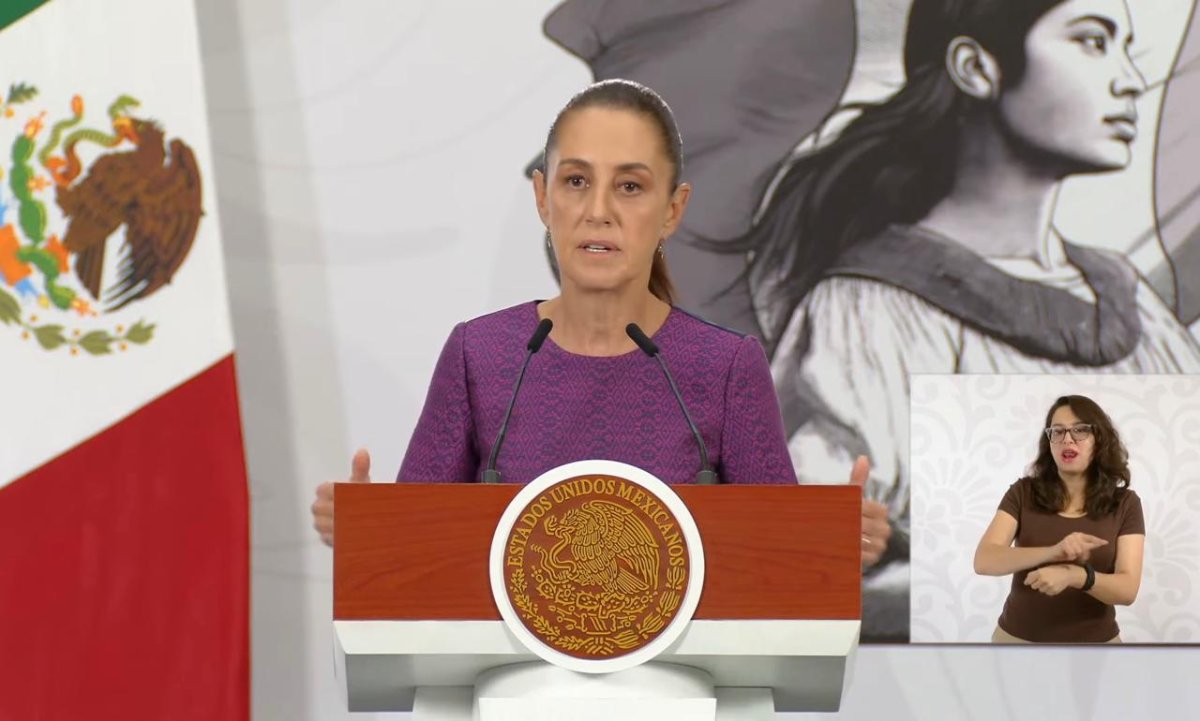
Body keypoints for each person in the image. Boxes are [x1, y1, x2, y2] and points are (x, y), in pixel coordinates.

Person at [731, 0, 1200, 641]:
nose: (1130, 80)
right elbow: (795, 568)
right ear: (977, 68)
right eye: (1093, 42)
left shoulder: (1132, 301)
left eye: (1126, 49)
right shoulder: (872, 311)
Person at [309, 80, 885, 562]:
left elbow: (778, 560)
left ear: (673, 210)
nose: (599, 211)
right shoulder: (479, 355)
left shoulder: (725, 368)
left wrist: (828, 543)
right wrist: (370, 531)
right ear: (543, 198)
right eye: (576, 181)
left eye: (630, 186)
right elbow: (415, 550)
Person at [973, 395, 1145, 643]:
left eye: (1080, 430)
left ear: (1100, 439)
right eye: (1058, 431)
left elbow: (1127, 590)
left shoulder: (1126, 503)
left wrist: (1075, 575)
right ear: (1049, 442)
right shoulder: (1023, 492)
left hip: (1097, 647)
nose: (1067, 439)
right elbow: (984, 560)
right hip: (1016, 643)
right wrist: (1054, 552)